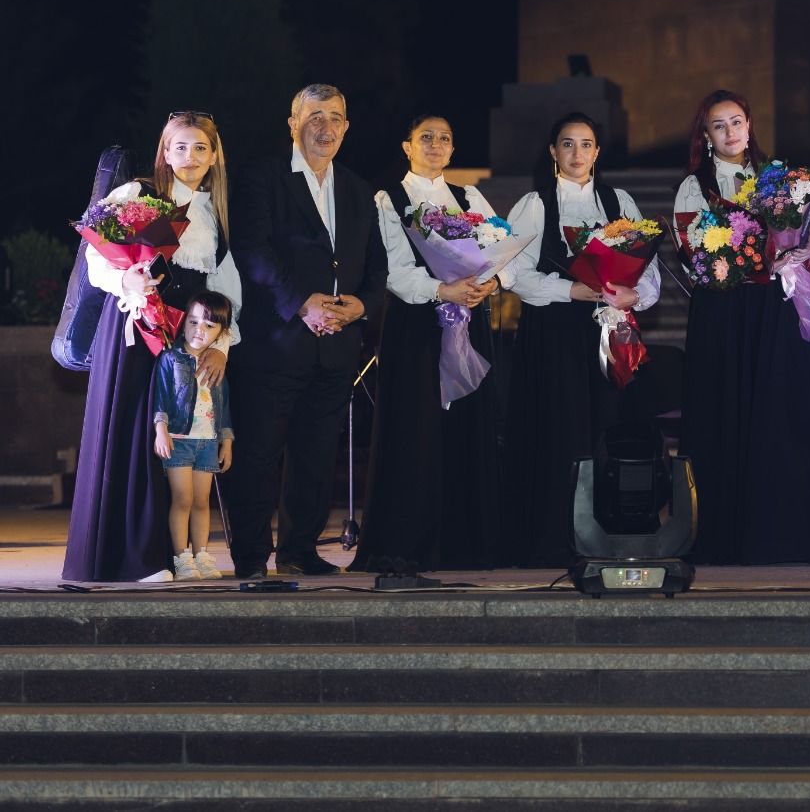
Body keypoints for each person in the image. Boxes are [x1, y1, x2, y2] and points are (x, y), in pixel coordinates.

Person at [64, 112, 242, 582]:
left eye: (200, 147)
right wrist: (133, 282)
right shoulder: (138, 195)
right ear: (164, 151)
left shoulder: (212, 211)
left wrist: (221, 344)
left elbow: (224, 290)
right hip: (136, 334)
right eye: (180, 146)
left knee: (179, 445)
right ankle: (136, 559)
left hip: (185, 343)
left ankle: (178, 556)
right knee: (141, 437)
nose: (190, 157)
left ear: (213, 155)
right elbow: (96, 263)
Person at [223, 84, 387, 579]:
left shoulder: (359, 190)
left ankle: (300, 548)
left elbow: (376, 267)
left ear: (347, 128)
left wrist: (364, 306)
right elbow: (252, 251)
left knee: (316, 459)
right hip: (276, 343)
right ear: (292, 124)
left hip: (338, 348)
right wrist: (300, 303)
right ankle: (251, 556)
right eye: (314, 116)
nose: (325, 127)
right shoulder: (262, 179)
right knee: (258, 456)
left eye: (335, 117)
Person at [673, 89, 810, 564]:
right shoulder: (694, 186)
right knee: (722, 415)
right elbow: (693, 254)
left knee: (779, 417)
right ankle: (723, 536)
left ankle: (784, 535)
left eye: (737, 122)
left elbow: (809, 231)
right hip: (722, 314)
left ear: (750, 125)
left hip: (773, 309)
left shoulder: (777, 178)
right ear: (706, 137)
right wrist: (728, 252)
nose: (730, 132)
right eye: (719, 126)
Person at [500, 112, 661, 567]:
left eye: (586, 144)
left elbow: (647, 265)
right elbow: (512, 273)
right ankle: (557, 537)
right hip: (554, 336)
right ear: (553, 152)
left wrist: (634, 294)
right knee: (561, 433)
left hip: (610, 331)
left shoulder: (618, 199)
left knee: (612, 429)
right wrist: (568, 289)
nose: (577, 153)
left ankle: (614, 532)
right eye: (567, 144)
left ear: (597, 152)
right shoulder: (535, 203)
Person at [350, 115, 503, 574]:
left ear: (454, 150)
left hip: (468, 318)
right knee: (415, 430)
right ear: (407, 146)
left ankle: (465, 543)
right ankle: (409, 542)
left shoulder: (468, 197)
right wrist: (443, 290)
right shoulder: (389, 199)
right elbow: (392, 271)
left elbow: (499, 244)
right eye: (426, 138)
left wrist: (490, 282)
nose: (436, 145)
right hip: (415, 327)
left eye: (445, 139)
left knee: (465, 432)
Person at [153, 291, 235, 580]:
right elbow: (160, 396)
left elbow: (223, 404)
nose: (199, 330)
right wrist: (160, 429)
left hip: (207, 441)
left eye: (209, 326)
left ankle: (201, 554)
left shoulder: (217, 364)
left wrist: (227, 440)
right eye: (193, 321)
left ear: (221, 333)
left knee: (202, 501)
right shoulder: (170, 358)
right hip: (180, 440)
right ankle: (181, 558)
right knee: (183, 498)